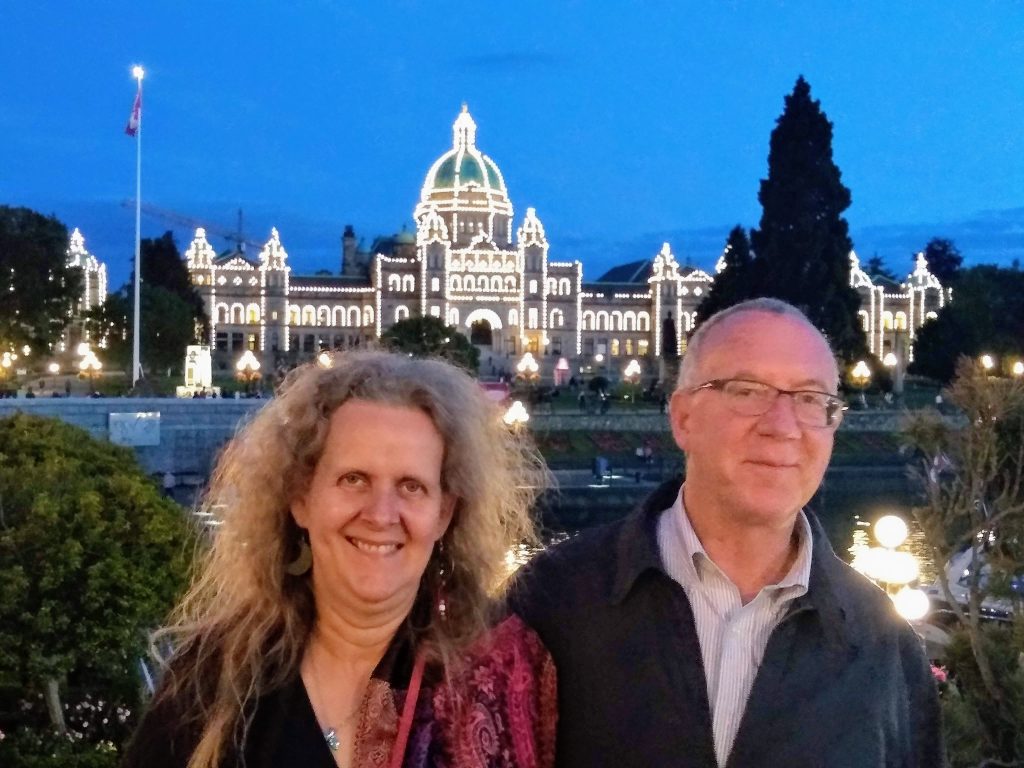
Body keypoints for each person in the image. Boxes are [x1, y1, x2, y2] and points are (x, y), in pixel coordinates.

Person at [511, 298, 943, 767]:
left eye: (811, 399)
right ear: (683, 419)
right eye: (747, 391)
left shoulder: (883, 641)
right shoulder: (554, 600)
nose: (783, 427)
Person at [124, 350, 556, 768]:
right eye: (354, 480)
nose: (381, 514)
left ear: (444, 514)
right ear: (301, 498)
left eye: (411, 486)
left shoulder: (506, 673)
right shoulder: (215, 676)